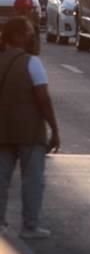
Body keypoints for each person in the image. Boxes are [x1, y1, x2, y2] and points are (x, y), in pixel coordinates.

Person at [0, 18, 60, 239]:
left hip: (3, 131)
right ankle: (30, 226)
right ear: (16, 36)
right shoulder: (31, 62)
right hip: (29, 131)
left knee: (1, 179)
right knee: (33, 180)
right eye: (27, 32)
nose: (31, 36)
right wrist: (54, 129)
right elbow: (43, 98)